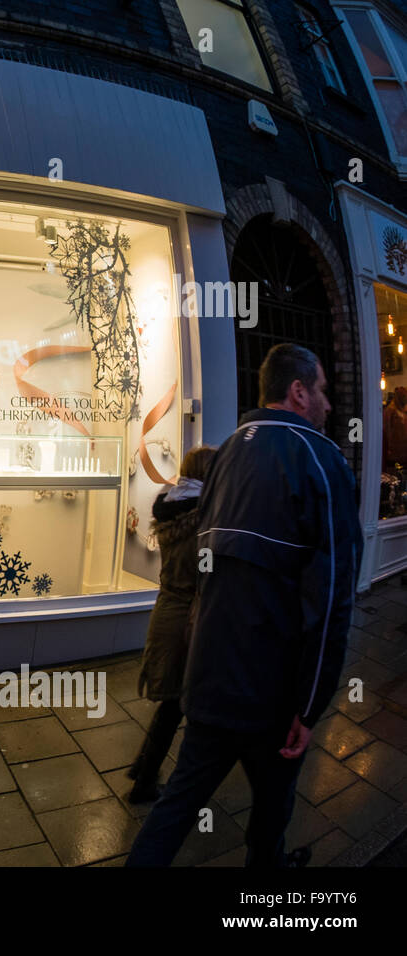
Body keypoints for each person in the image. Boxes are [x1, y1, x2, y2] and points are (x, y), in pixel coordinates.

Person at [126, 344, 362, 868]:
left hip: (210, 678)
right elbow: (331, 599)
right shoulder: (323, 460)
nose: (327, 403)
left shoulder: (229, 450)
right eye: (321, 390)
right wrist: (312, 701)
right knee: (271, 808)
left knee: (176, 808)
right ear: (298, 392)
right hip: (273, 692)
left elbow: (208, 572)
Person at [127, 444, 217, 804]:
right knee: (176, 704)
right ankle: (144, 783)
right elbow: (206, 572)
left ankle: (141, 767)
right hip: (187, 618)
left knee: (172, 701)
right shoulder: (204, 517)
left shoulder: (170, 506)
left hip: (167, 608)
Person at [384, 386, 407, 468]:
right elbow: (387, 431)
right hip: (393, 454)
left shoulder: (404, 411)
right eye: (403, 397)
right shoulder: (390, 412)